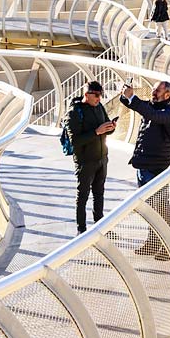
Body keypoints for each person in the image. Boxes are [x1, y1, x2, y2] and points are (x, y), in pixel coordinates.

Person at [119, 81, 170, 259]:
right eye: (154, 89)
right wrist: (125, 94)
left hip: (157, 169)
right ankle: (152, 243)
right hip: (143, 166)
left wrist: (132, 97)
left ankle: (168, 248)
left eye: (158, 90)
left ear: (167, 94)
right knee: (149, 209)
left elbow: (152, 114)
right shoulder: (151, 106)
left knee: (162, 208)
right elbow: (134, 105)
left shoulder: (169, 113)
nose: (153, 91)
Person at [67, 81, 116, 229]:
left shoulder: (99, 107)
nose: (99, 98)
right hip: (85, 161)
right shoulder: (75, 112)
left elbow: (105, 128)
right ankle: (81, 230)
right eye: (96, 95)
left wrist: (111, 127)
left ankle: (99, 227)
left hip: (102, 158)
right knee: (83, 196)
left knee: (99, 194)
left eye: (100, 95)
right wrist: (96, 132)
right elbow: (74, 141)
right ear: (87, 95)